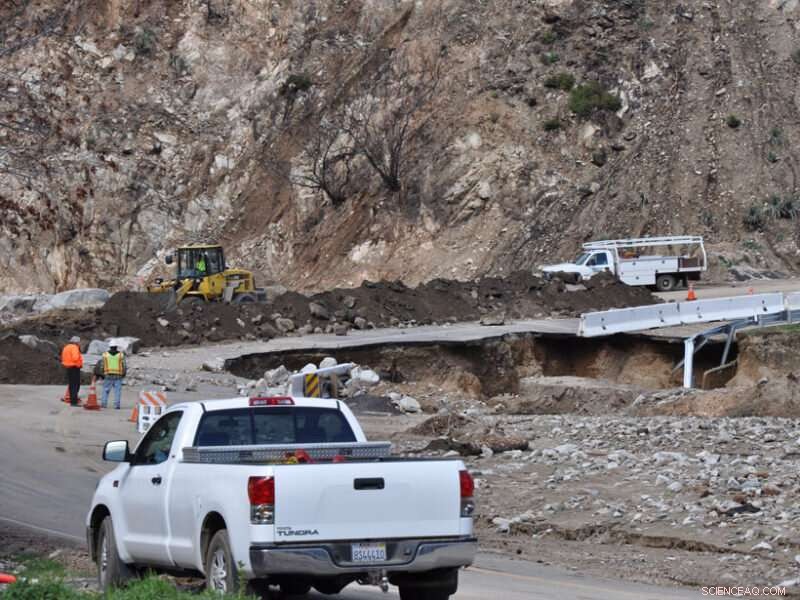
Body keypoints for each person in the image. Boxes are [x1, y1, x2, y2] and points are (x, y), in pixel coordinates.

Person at [98, 342, 126, 409]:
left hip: (108, 375)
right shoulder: (121, 355)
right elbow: (124, 366)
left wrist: (101, 374)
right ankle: (116, 405)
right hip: (118, 375)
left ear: (110, 347)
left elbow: (102, 365)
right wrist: (124, 373)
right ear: (116, 347)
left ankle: (104, 404)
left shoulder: (105, 355)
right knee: (117, 391)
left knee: (105, 390)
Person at [61, 336, 83, 406]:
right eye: (79, 342)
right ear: (77, 342)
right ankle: (74, 402)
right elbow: (75, 357)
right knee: (75, 385)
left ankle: (72, 400)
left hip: (68, 367)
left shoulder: (66, 347)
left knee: (71, 385)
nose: (80, 343)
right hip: (74, 367)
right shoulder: (74, 347)